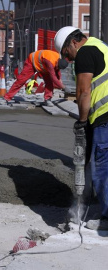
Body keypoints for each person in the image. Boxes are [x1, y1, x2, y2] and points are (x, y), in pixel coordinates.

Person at [54, 26, 108, 231]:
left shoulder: (85, 53)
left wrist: (82, 122)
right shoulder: (100, 46)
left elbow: (84, 92)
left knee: (103, 168)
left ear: (73, 42)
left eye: (67, 53)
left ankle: (107, 217)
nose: (68, 59)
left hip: (105, 115)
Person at [0, 50, 68, 107]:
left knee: (49, 82)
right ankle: (6, 98)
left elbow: (57, 71)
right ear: (57, 63)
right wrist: (63, 87)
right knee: (21, 80)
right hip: (32, 62)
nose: (58, 68)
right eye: (58, 67)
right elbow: (53, 77)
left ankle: (48, 99)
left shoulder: (58, 61)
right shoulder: (50, 62)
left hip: (42, 65)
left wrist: (60, 79)